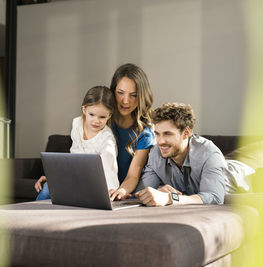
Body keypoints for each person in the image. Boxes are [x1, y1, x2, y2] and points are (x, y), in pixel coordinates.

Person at [34, 85, 118, 199]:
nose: (96, 121)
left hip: (94, 185)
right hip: (76, 177)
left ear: (109, 115)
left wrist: (109, 193)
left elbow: (110, 171)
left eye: (102, 117)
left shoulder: (106, 140)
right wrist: (56, 176)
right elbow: (74, 157)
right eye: (92, 114)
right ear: (84, 110)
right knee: (48, 188)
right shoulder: (77, 124)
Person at [135, 102, 226, 206]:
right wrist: (158, 191)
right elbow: (141, 192)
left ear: (186, 133)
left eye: (167, 134)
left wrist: (170, 198)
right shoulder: (155, 153)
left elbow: (215, 197)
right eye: (157, 134)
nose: (160, 142)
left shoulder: (209, 154)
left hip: (235, 175)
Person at [108, 63, 155, 201]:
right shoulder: (102, 121)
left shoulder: (145, 133)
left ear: (141, 96)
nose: (126, 101)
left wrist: (120, 191)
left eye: (133, 95)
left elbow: (133, 176)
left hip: (123, 192)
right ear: (113, 91)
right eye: (120, 93)